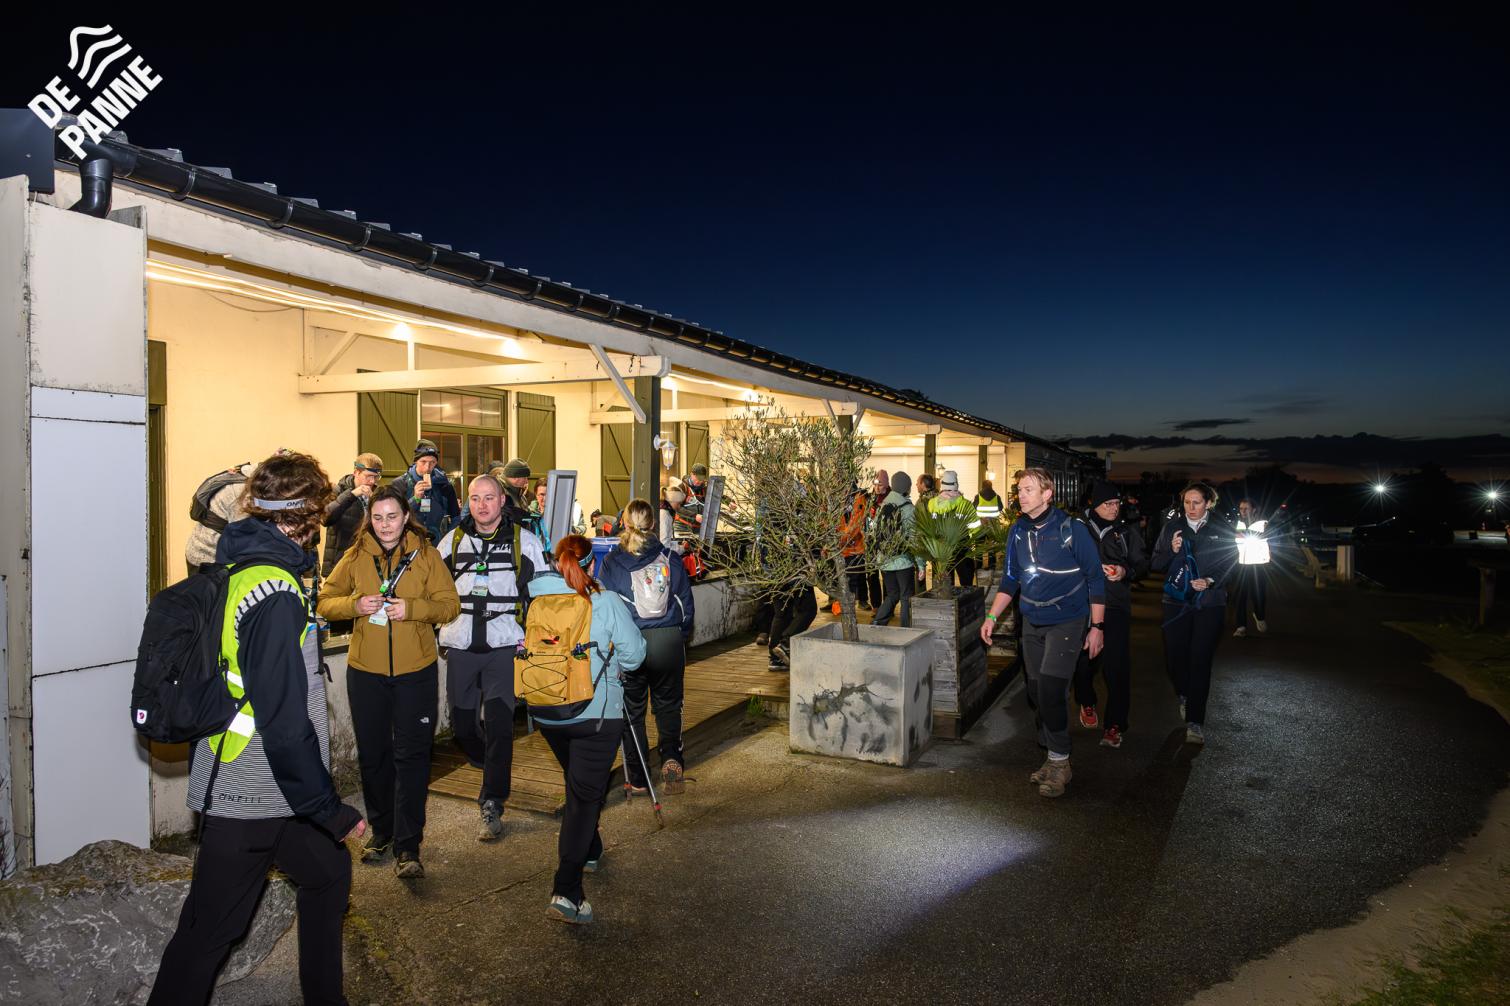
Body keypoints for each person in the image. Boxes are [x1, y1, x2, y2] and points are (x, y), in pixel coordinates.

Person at [150, 452, 363, 1006]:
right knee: (208, 933)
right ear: (306, 518)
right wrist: (329, 809)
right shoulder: (275, 593)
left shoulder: (241, 567)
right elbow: (283, 722)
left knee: (327, 873)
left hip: (266, 785)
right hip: (251, 788)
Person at [318, 487, 460, 878]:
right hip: (366, 673)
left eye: (392, 517)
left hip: (416, 672)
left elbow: (450, 605)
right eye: (378, 518)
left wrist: (412, 609)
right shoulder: (355, 555)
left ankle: (408, 845)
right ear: (370, 519)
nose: (385, 525)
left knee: (412, 757)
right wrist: (355, 605)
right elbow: (325, 601)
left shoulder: (427, 555)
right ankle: (382, 832)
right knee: (374, 755)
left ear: (406, 516)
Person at [528, 535, 647, 925]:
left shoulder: (537, 602)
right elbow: (635, 656)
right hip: (595, 715)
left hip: (547, 712)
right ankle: (567, 891)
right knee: (582, 799)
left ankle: (591, 849)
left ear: (556, 564)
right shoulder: (606, 602)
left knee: (579, 784)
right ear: (591, 565)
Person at [979, 468, 1106, 798]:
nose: (1021, 495)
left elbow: (1095, 578)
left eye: (1028, 489)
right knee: (1036, 692)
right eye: (1019, 490)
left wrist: (1097, 627)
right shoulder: (1018, 530)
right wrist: (992, 616)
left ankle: (1060, 762)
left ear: (1047, 494)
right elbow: (1010, 579)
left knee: (1050, 689)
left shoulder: (1072, 529)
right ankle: (1052, 752)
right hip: (1031, 621)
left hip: (1068, 620)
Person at [435, 475, 546, 842]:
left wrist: (536, 638)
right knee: (463, 727)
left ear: (502, 501)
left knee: (499, 726)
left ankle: (492, 801)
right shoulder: (451, 542)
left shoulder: (525, 543)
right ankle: (494, 767)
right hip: (461, 645)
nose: (481, 505)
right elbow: (432, 590)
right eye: (475, 498)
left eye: (488, 498)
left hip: (504, 645)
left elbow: (542, 595)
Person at [598, 498, 695, 795]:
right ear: (653, 524)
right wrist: (680, 634)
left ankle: (639, 777)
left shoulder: (611, 562)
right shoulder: (670, 557)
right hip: (667, 640)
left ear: (624, 523)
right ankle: (672, 759)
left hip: (631, 643)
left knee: (632, 711)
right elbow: (685, 605)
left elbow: (607, 609)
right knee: (669, 706)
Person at [1151, 482, 1238, 745]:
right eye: (1187, 502)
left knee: (1200, 660)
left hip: (1209, 603)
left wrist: (1211, 581)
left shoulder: (1221, 528)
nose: (1190, 507)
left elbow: (1231, 564)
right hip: (1175, 603)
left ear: (1208, 503)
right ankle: (1185, 694)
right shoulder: (1172, 527)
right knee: (1175, 658)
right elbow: (1155, 563)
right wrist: (1172, 550)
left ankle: (1195, 722)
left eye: (1196, 502)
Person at [1070, 481, 1149, 748]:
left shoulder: (1126, 531)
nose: (1114, 508)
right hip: (1082, 605)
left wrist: (1125, 572)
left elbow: (1142, 563)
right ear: (1094, 504)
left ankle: (1115, 724)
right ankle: (1086, 700)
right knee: (1083, 663)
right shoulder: (1077, 528)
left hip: (1115, 605)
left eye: (1117, 503)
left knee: (1116, 667)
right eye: (1108, 504)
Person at [183, 461, 254, 576]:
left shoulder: (250, 472)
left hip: (209, 552)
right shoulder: (243, 492)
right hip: (207, 558)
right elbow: (243, 540)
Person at [321, 453, 383, 578]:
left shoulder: (378, 494)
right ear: (356, 472)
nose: (372, 481)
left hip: (368, 561)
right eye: (368, 476)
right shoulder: (338, 490)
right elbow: (325, 518)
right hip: (339, 562)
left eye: (376, 477)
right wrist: (352, 495)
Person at [390, 440, 459, 543]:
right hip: (408, 541)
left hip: (438, 542)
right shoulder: (399, 484)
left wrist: (448, 539)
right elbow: (394, 516)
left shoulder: (445, 485)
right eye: (423, 462)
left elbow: (456, 517)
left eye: (432, 462)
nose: (427, 467)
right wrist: (415, 499)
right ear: (416, 461)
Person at [872, 471, 918, 628]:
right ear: (907, 487)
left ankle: (878, 622)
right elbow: (914, 537)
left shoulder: (883, 505)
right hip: (903, 560)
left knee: (892, 595)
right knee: (906, 596)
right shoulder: (908, 508)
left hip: (885, 560)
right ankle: (905, 628)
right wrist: (920, 563)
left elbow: (874, 532)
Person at [929, 470, 980, 587]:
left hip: (940, 548)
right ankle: (965, 598)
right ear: (956, 484)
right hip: (962, 546)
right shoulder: (965, 504)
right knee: (966, 581)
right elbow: (975, 527)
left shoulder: (932, 504)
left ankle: (945, 598)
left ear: (942, 485)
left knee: (944, 584)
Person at [1232, 497, 1270, 637]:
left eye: (1246, 508)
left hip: (1259, 565)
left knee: (1258, 595)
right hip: (1241, 565)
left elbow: (1266, 535)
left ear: (1253, 509)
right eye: (1241, 508)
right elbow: (1231, 538)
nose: (1243, 511)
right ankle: (1241, 626)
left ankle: (1259, 616)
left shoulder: (1263, 523)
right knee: (1239, 597)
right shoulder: (1237, 523)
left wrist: (1242, 534)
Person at [973, 479, 1005, 570]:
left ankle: (978, 566)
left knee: (979, 547)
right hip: (993, 527)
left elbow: (973, 507)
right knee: (992, 547)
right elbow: (1000, 507)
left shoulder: (978, 497)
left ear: (982, 486)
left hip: (981, 526)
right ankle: (991, 566)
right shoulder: (997, 497)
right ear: (991, 486)